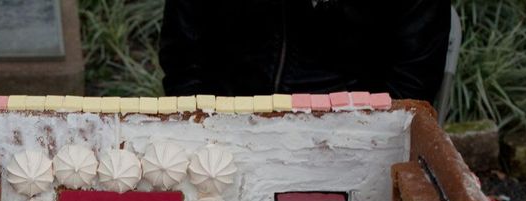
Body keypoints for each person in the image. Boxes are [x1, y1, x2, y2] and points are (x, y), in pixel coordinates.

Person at [159, 0, 451, 103]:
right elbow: (183, 62)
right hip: (224, 139)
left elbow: (411, 89)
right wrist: (205, 137)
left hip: (350, 145)